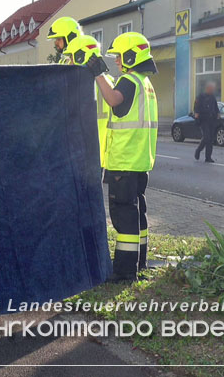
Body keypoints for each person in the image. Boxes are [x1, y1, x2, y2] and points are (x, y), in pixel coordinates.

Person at [87, 32, 158, 282]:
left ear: (131, 56)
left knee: (124, 215)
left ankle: (125, 271)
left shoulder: (128, 80)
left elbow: (113, 100)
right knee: (138, 213)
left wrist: (97, 74)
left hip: (124, 162)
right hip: (140, 162)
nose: (117, 61)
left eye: (119, 56)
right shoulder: (145, 83)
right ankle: (140, 262)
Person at [61, 35, 114, 167]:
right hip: (102, 155)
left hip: (82, 154)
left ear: (81, 57)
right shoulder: (108, 82)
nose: (69, 63)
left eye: (71, 58)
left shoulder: (80, 84)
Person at [194, 81, 219, 163]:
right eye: (211, 88)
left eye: (213, 89)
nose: (212, 90)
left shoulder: (212, 97)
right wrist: (197, 116)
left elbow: (215, 107)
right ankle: (198, 150)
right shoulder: (201, 97)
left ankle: (208, 157)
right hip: (203, 120)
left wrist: (218, 115)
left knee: (210, 139)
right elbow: (196, 108)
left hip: (211, 120)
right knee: (206, 137)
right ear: (207, 88)